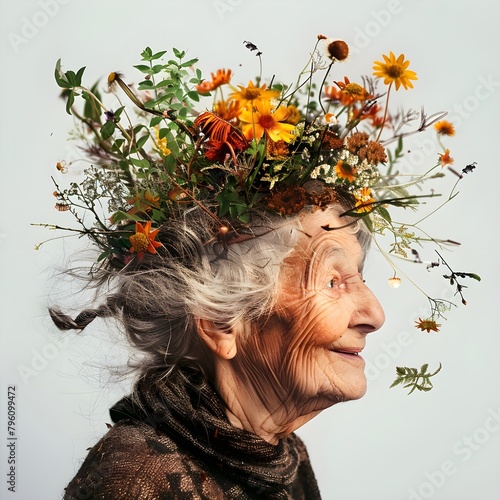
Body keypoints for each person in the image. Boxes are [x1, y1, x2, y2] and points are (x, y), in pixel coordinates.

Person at [46, 36, 474, 499]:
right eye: (333, 281)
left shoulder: (281, 455)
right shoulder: (138, 480)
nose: (374, 314)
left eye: (361, 279)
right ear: (221, 321)